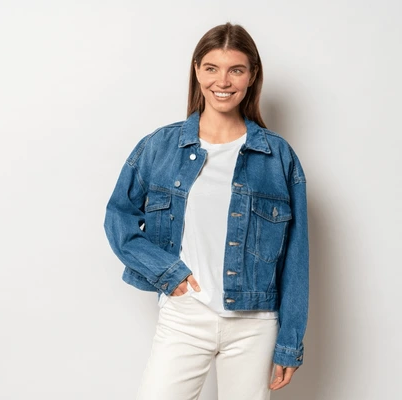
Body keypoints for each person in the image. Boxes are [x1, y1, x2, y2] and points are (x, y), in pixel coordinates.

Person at [104, 22, 309, 400]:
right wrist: (168, 273)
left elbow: (296, 257)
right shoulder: (160, 147)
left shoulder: (278, 157)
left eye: (236, 69)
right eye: (212, 68)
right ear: (197, 70)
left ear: (252, 76)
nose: (223, 81)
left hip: (254, 323)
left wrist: (289, 342)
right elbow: (119, 216)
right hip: (186, 314)